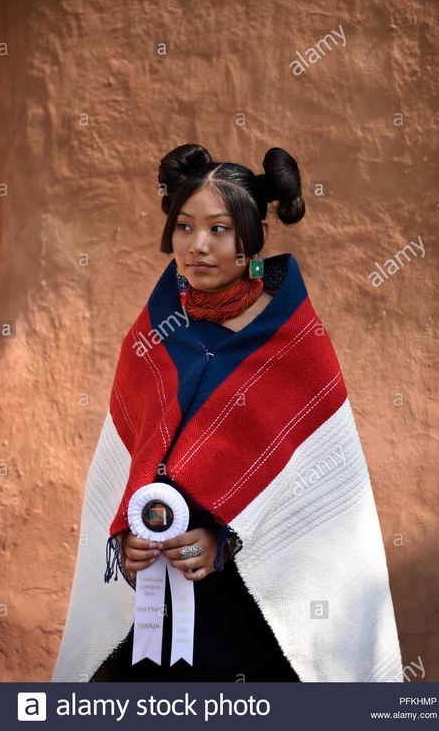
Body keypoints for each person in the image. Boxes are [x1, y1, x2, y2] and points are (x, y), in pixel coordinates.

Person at [52, 143, 403, 683]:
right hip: (155, 604)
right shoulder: (154, 332)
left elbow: (310, 499)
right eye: (185, 227)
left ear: (251, 237)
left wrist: (225, 538)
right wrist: (126, 532)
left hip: (253, 609)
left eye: (219, 229)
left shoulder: (294, 342)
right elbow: (131, 458)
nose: (198, 245)